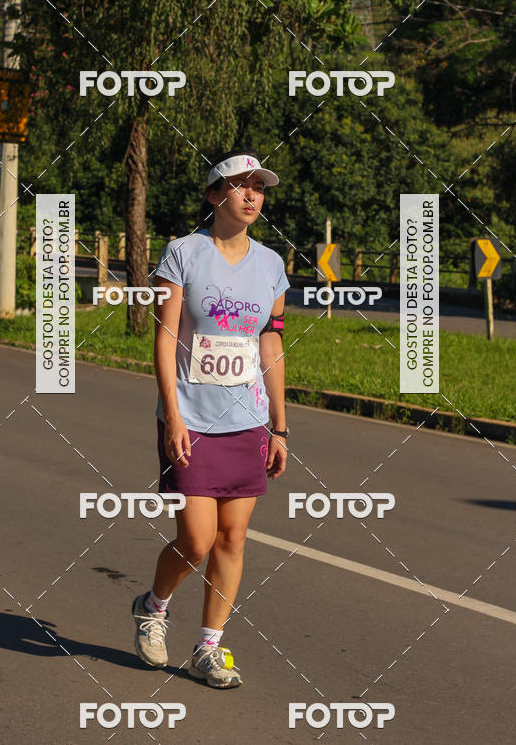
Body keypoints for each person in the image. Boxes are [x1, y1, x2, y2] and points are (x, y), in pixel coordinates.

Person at [131, 148, 290, 688]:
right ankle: (153, 606)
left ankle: (208, 648)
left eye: (258, 187)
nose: (251, 195)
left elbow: (271, 344)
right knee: (197, 540)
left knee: (232, 538)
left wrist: (280, 426)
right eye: (240, 185)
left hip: (248, 418)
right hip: (191, 417)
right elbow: (164, 338)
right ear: (214, 195)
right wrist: (172, 416)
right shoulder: (183, 253)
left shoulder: (271, 265)